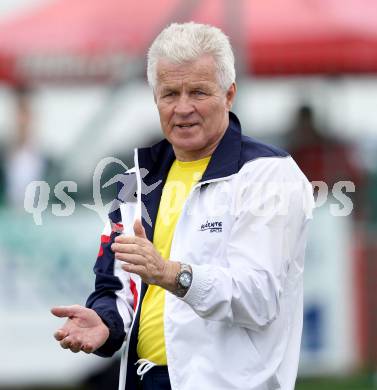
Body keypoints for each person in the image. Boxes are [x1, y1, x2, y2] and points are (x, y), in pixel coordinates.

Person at [52, 22, 314, 390]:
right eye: (170, 93)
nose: (183, 107)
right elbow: (116, 286)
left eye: (198, 92)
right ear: (155, 98)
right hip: (145, 380)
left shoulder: (269, 175)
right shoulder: (134, 181)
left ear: (229, 94)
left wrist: (172, 274)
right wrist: (104, 323)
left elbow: (258, 298)